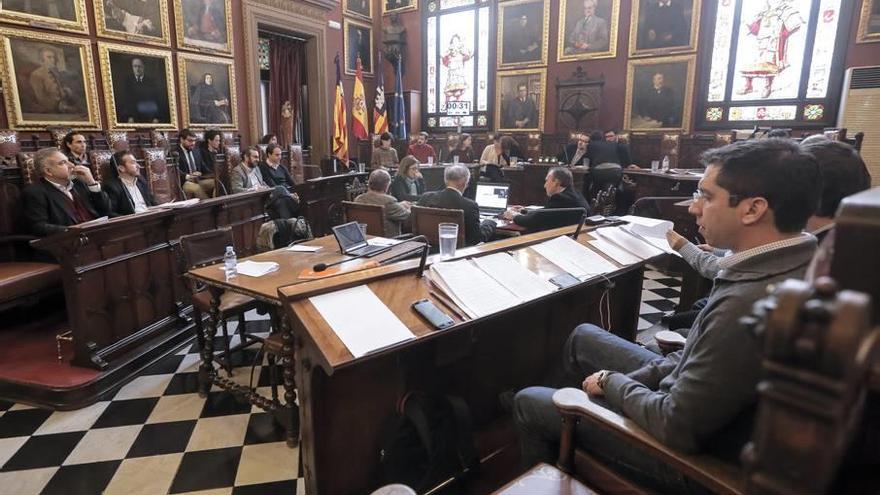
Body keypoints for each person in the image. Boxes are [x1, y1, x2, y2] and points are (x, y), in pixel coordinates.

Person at [514, 139, 822, 493]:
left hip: (688, 462)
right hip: (690, 398)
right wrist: (616, 383)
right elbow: (694, 355)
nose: (694, 209)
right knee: (584, 335)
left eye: (706, 196)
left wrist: (614, 384)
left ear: (752, 209)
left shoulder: (748, 302)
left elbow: (677, 426)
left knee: (529, 401)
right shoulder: (793, 260)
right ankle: (576, 413)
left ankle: (567, 429)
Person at [22, 148, 112, 237]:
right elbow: (38, 227)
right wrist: (71, 231)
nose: (72, 165)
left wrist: (92, 183)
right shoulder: (35, 192)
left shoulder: (79, 183)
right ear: (48, 171)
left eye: (68, 161)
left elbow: (106, 210)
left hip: (98, 235)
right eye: (63, 163)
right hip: (68, 243)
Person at [738, 0, 804, 99]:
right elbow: (755, 25)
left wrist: (782, 34)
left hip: (774, 42)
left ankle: (767, 86)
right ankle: (748, 85)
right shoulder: (764, 9)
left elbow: (795, 24)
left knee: (769, 63)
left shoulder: (786, 10)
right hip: (760, 40)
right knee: (753, 61)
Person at [418, 165, 496, 246]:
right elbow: (476, 239)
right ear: (465, 183)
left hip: (426, 251)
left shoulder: (426, 197)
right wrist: (489, 223)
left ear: (445, 180)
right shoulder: (470, 206)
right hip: (458, 254)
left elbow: (408, 226)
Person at [502, 168, 590, 230]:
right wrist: (525, 211)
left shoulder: (560, 198)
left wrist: (513, 216)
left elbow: (531, 221)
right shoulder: (575, 193)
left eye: (547, 181)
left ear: (556, 182)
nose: (544, 186)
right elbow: (546, 212)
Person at [355, 169, 412, 237]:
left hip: (367, 238)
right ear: (387, 186)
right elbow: (408, 216)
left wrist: (399, 205)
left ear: (369, 183)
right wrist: (409, 208)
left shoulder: (358, 199)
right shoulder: (388, 201)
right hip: (389, 242)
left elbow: (382, 205)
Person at [103, 150, 156, 216]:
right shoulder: (112, 187)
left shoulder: (141, 181)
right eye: (133, 163)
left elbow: (153, 203)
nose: (138, 166)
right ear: (121, 168)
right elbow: (111, 213)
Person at [118, 57, 168, 124]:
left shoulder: (151, 81)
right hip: (133, 116)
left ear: (143, 67)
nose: (137, 69)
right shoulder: (128, 81)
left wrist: (156, 117)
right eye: (135, 66)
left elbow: (156, 100)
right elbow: (127, 100)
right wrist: (129, 116)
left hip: (150, 117)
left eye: (139, 66)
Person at [28, 47, 78, 114]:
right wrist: (59, 107)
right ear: (42, 59)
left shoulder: (54, 72)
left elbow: (57, 92)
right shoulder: (36, 74)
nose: (53, 60)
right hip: (50, 111)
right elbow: (41, 99)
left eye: (54, 57)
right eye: (49, 57)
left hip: (62, 107)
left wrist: (65, 92)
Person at [174, 128, 214, 199]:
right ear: (182, 140)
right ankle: (210, 207)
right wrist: (188, 176)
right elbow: (174, 171)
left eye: (194, 141)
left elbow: (203, 166)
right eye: (190, 141)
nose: (193, 143)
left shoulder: (196, 150)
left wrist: (209, 174)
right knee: (196, 188)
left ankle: (217, 205)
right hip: (185, 182)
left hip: (198, 179)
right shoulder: (175, 152)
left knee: (215, 183)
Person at [441, 34, 472, 103]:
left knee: (459, 93)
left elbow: (468, 56)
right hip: (451, 76)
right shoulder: (449, 52)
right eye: (454, 41)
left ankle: (459, 110)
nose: (455, 43)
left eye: (457, 41)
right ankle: (446, 108)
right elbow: (443, 57)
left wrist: (463, 47)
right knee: (448, 93)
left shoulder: (462, 52)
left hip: (459, 76)